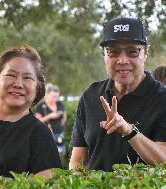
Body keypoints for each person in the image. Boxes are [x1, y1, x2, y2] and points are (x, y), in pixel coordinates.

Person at [69, 17, 166, 172]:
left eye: (132, 52)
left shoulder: (162, 99)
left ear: (146, 53)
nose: (122, 60)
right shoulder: (90, 96)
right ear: (104, 55)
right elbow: (78, 159)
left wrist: (129, 131)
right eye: (113, 52)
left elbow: (164, 160)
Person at [0, 36, 61, 179]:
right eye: (10, 75)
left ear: (37, 88)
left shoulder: (40, 134)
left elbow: (49, 183)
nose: (18, 84)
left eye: (27, 78)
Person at [35, 83, 67, 154]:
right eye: (53, 96)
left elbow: (64, 117)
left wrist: (59, 126)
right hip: (46, 135)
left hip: (59, 133)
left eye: (56, 97)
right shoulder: (41, 106)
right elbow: (36, 122)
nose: (55, 99)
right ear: (47, 94)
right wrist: (50, 116)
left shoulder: (59, 104)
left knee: (60, 153)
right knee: (47, 155)